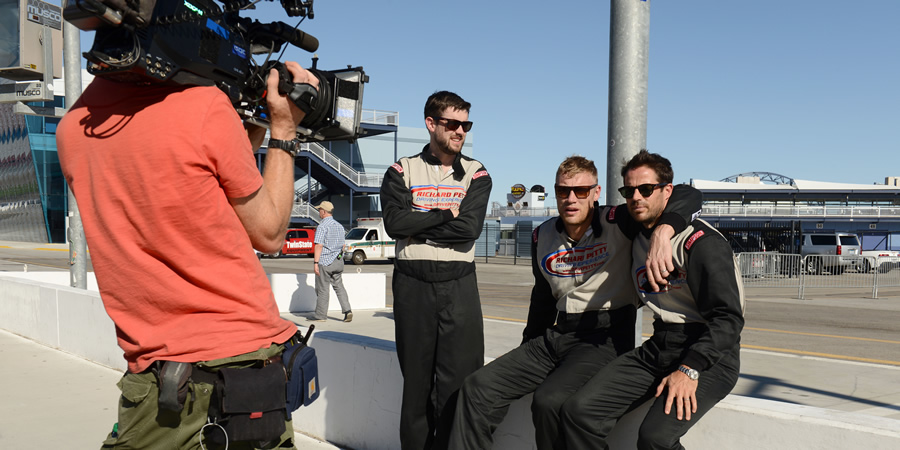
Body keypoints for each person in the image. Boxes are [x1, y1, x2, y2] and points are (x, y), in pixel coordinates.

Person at [56, 57, 316, 448]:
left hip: (153, 379)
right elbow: (268, 232)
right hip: (242, 366)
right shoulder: (205, 105)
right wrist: (282, 128)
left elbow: (186, 185)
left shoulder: (72, 127)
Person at [449, 155, 702, 450]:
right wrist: (527, 348)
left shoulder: (618, 221)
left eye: (581, 191)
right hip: (556, 334)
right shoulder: (542, 235)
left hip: (604, 337)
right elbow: (542, 299)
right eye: (563, 191)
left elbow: (689, 194)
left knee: (549, 402)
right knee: (477, 387)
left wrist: (663, 231)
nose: (571, 199)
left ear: (595, 193)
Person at [559, 150, 744, 449]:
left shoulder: (701, 244)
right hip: (660, 346)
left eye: (646, 189)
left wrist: (690, 369)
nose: (636, 197)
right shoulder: (632, 226)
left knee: (655, 437)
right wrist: (658, 231)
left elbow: (728, 320)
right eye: (628, 191)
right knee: (578, 413)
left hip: (709, 354)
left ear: (666, 191)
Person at [380, 90, 492, 449]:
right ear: (431, 124)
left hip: (459, 287)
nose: (461, 131)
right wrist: (445, 215)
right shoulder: (401, 170)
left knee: (458, 385)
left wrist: (419, 222)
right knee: (416, 387)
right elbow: (395, 223)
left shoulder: (477, 173)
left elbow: (469, 229)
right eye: (453, 124)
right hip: (413, 286)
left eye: (466, 125)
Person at [309, 200, 353, 322]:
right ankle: (347, 310)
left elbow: (319, 246)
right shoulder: (339, 226)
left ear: (323, 211)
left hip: (325, 261)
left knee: (323, 289)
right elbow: (343, 245)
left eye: (319, 210)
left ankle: (321, 316)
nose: (318, 212)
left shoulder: (322, 226)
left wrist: (316, 263)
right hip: (338, 261)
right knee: (339, 287)